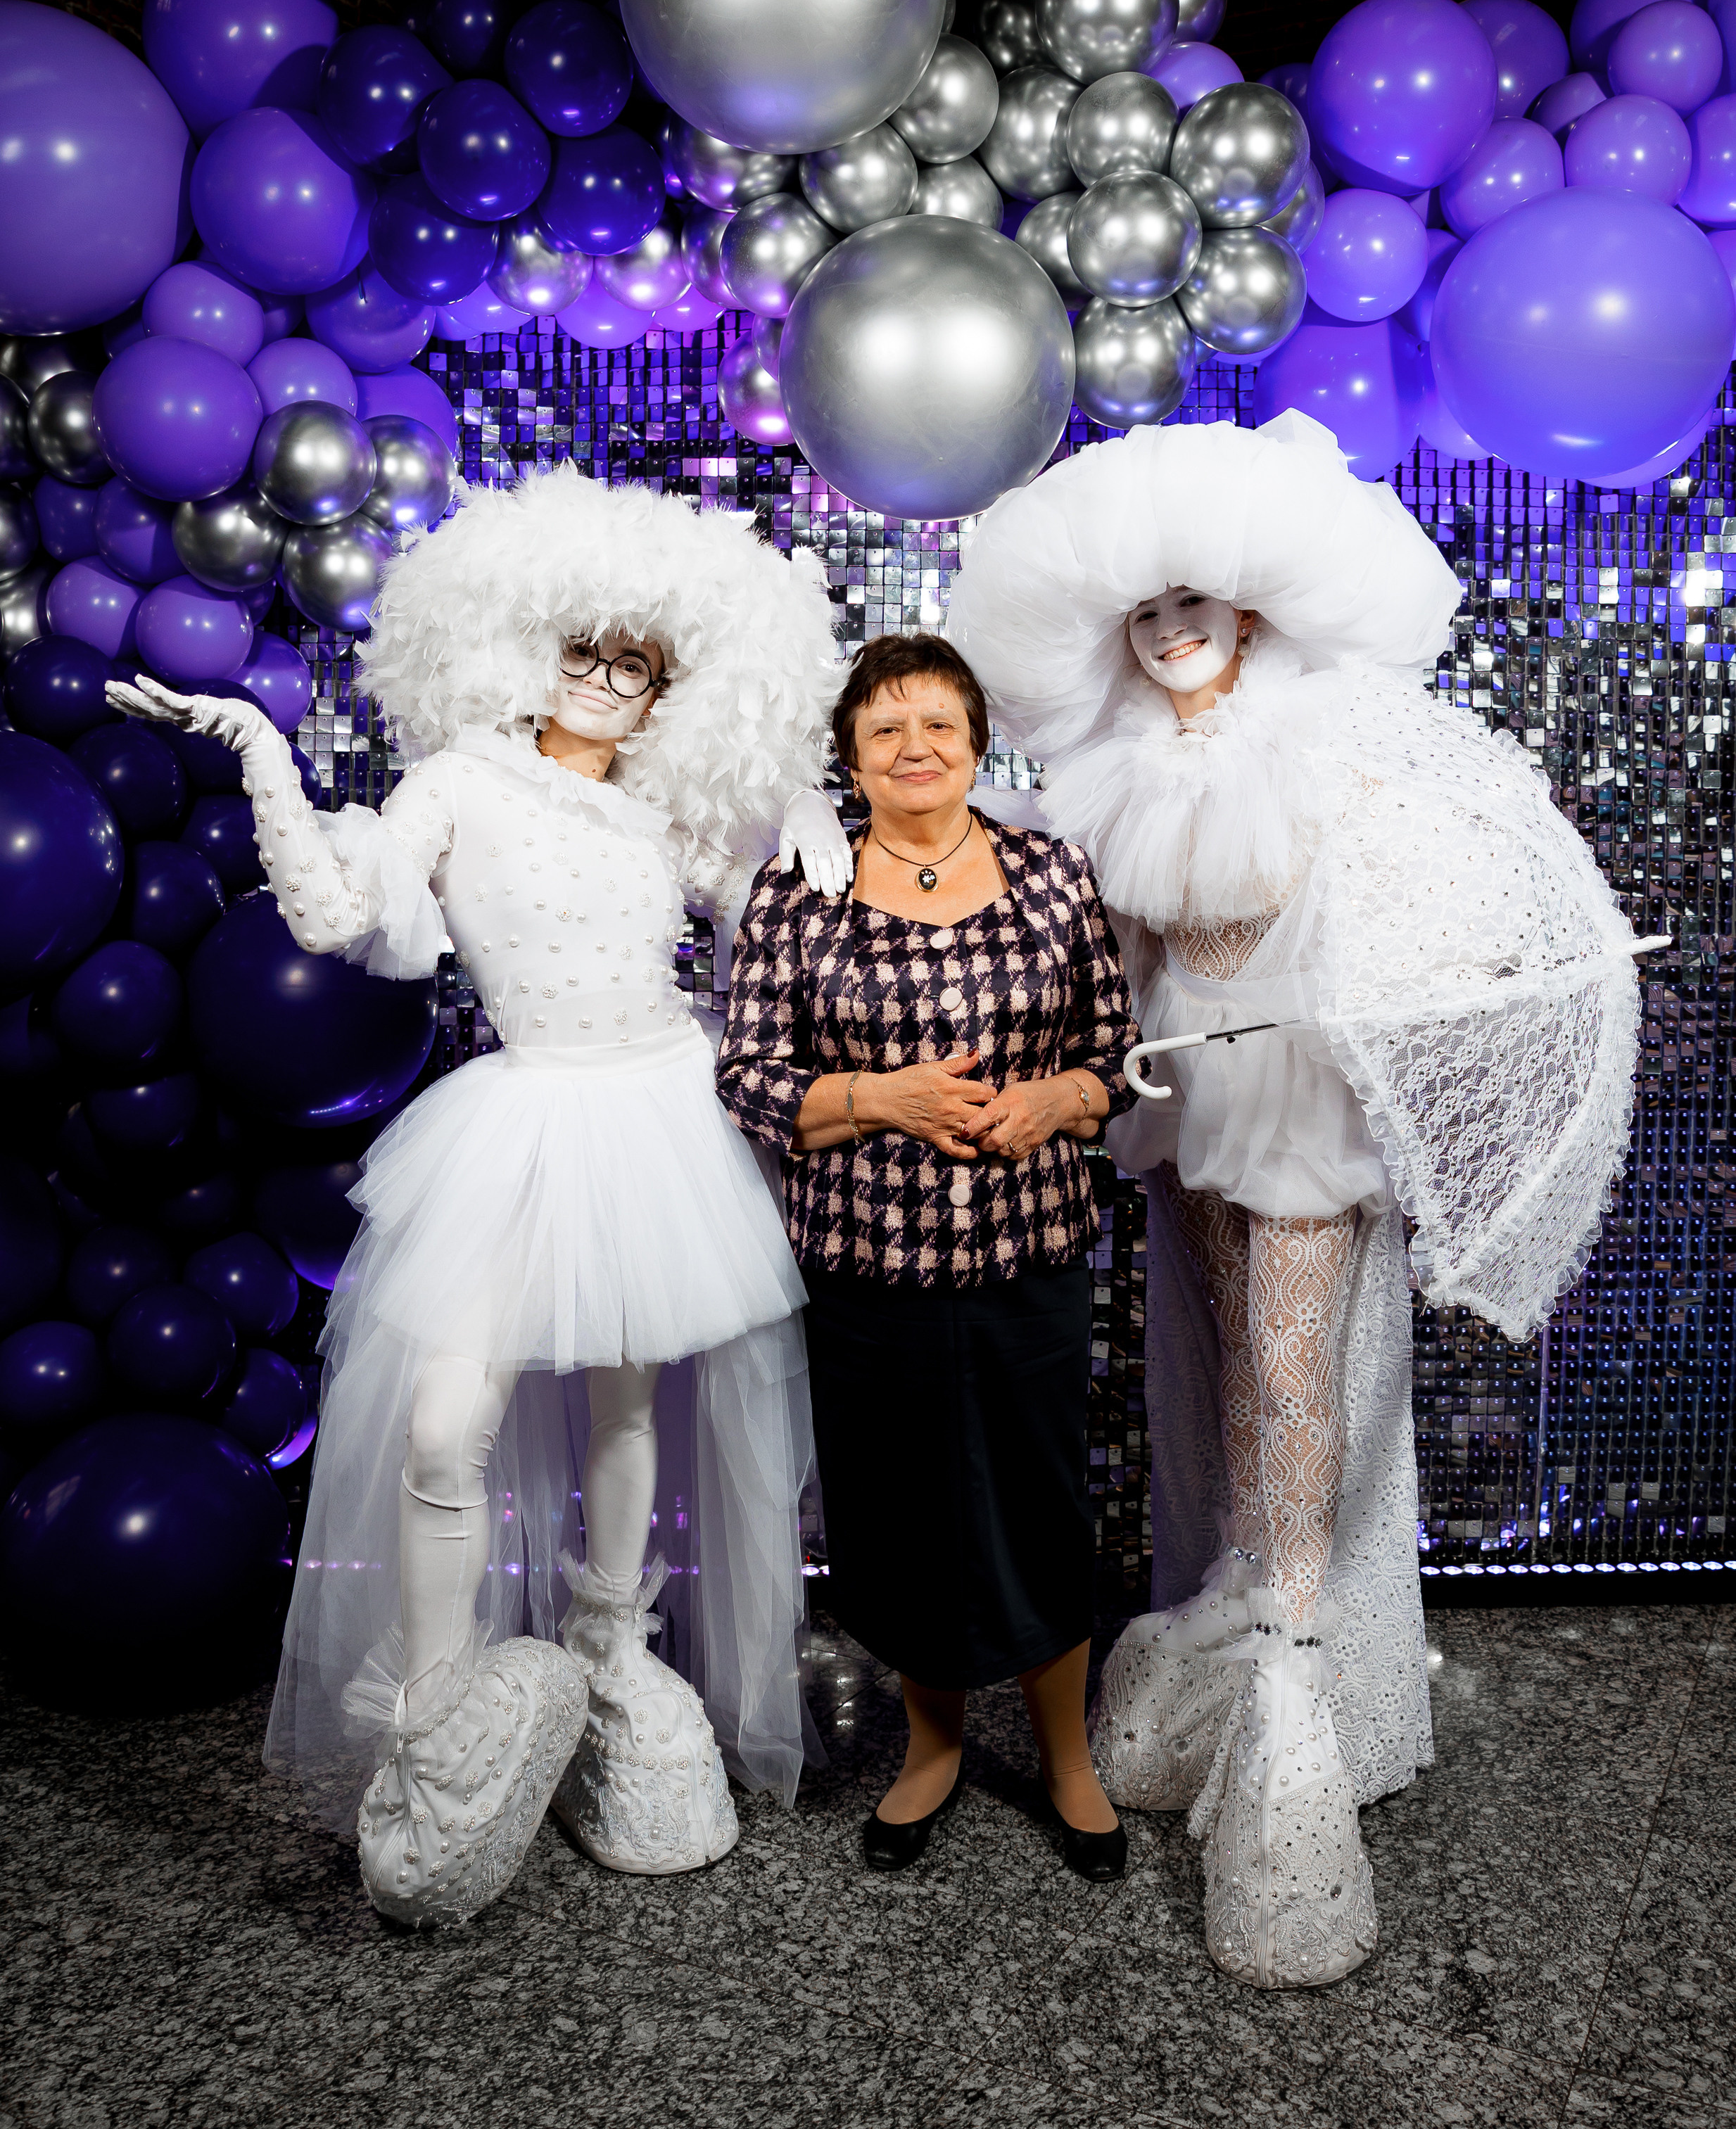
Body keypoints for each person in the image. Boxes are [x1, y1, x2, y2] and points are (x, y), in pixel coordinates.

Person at [948, 412, 1640, 1985]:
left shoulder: (1340, 745)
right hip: (1189, 1100)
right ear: (1122, 631)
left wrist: (1460, 969)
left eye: (1199, 599)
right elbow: (1112, 960)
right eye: (1148, 608)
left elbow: (1434, 900)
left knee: (1289, 1362)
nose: (1176, 625)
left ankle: (1296, 1655)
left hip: (1307, 1099)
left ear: (1252, 608)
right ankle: (1247, 1597)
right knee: (1218, 1360)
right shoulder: (1112, 767)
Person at [108, 464, 851, 1928]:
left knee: (634, 1405)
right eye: (586, 646)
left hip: (654, 1107)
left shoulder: (662, 814)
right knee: (450, 1418)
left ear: (669, 695)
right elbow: (339, 912)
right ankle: (438, 1705)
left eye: (637, 663)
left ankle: (608, 1641)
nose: (605, 676)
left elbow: (771, 913)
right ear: (528, 642)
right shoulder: (457, 781)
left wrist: (813, 820)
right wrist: (260, 745)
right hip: (520, 1119)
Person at [715, 632, 1141, 1881]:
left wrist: (1057, 1100)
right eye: (887, 728)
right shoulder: (799, 884)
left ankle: (1068, 1759)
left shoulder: (1056, 874)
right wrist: (878, 1099)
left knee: (1040, 1504)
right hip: (865, 1267)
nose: (915, 748)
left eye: (939, 725)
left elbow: (1117, 1053)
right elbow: (747, 1076)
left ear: (976, 744)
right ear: (851, 752)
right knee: (899, 1514)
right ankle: (933, 1748)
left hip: (1028, 1251)